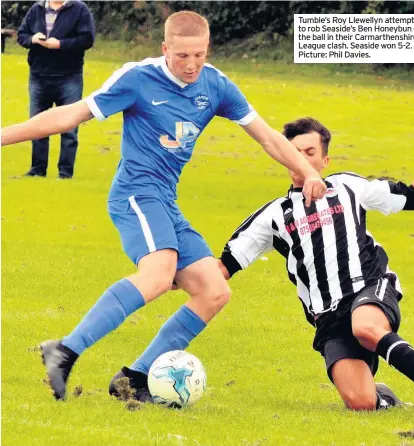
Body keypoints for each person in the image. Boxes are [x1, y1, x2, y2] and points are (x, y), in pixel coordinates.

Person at [1, 11, 327, 401]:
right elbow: (70, 114)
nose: (191, 65)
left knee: (214, 291)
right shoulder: (138, 79)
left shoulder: (216, 84)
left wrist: (307, 171)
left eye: (199, 55)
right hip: (136, 194)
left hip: (165, 200)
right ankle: (65, 351)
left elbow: (268, 138)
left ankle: (133, 379)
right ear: (165, 48)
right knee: (158, 275)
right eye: (182, 56)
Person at [217, 117, 414, 411]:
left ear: (325, 159)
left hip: (368, 287)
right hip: (329, 317)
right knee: (361, 403)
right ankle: (385, 400)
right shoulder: (274, 216)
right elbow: (223, 267)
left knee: (365, 327)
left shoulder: (348, 187)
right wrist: (174, 271)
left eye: (309, 152)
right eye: (293, 152)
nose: (300, 159)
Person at [17, 0, 95, 179]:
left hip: (69, 76)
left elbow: (87, 39)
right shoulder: (36, 9)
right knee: (36, 125)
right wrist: (33, 39)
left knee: (69, 126)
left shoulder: (79, 10)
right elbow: (21, 35)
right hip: (38, 75)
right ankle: (37, 170)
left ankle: (65, 173)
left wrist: (60, 44)